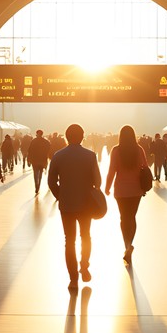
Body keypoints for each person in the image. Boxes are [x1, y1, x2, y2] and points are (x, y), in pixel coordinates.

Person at [48, 124, 102, 292]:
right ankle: (84, 266)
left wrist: (60, 195)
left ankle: (73, 279)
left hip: (67, 204)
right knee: (85, 236)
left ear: (66, 136)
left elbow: (51, 181)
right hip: (86, 204)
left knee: (69, 241)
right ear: (82, 136)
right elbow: (98, 182)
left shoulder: (58, 156)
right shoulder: (90, 155)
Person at [105, 125, 149, 264]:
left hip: (121, 190)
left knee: (124, 218)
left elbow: (112, 170)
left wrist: (107, 187)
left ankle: (127, 245)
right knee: (132, 217)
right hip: (136, 190)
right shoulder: (139, 150)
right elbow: (145, 167)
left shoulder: (116, 150)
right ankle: (130, 244)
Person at [28, 129, 51, 195]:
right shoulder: (46, 142)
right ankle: (38, 185)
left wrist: (29, 160)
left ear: (37, 134)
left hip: (35, 160)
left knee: (35, 174)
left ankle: (36, 186)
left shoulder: (33, 141)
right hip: (42, 160)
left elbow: (30, 151)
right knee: (40, 173)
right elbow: (49, 150)